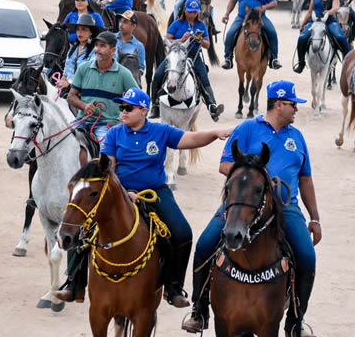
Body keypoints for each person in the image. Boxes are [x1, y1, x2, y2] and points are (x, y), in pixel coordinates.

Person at [54, 87, 231, 307]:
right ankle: (74, 284)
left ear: (144, 111)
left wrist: (215, 134)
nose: (123, 111)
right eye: (122, 107)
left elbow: (190, 138)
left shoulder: (161, 131)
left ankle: (174, 287)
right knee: (81, 229)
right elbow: (108, 168)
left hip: (155, 192)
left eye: (129, 108)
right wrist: (124, 193)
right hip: (119, 192)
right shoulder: (114, 134)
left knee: (182, 233)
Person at [182, 80, 321, 337]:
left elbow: (306, 179)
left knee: (307, 257)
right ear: (279, 105)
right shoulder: (247, 129)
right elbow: (225, 165)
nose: (296, 110)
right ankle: (199, 310)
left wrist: (315, 218)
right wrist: (259, 176)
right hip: (241, 202)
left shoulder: (296, 137)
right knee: (204, 244)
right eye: (293, 105)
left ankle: (295, 320)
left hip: (285, 207)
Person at [150, 0, 224, 121]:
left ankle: (212, 106)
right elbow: (166, 41)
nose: (192, 14)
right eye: (190, 11)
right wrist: (181, 40)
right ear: (184, 11)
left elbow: (207, 44)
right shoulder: (176, 24)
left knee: (203, 77)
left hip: (193, 54)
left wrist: (201, 41)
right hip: (176, 54)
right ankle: (155, 104)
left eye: (195, 12)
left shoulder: (200, 25)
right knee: (158, 74)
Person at [67, 31, 140, 141]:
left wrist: (121, 122)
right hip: (81, 121)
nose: (97, 49)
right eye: (96, 45)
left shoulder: (124, 74)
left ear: (113, 50)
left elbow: (138, 101)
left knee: (105, 154)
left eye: (102, 46)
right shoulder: (83, 68)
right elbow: (71, 96)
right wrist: (84, 106)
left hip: (106, 125)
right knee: (59, 141)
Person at [222, 0, 281, 70]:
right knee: (230, 33)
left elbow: (274, 3)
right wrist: (227, 14)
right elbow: (232, 1)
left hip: (259, 19)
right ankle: (228, 58)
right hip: (241, 18)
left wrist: (264, 7)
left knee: (272, 32)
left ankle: (274, 58)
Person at [294, 0, 351, 73]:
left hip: (329, 21)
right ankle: (301, 62)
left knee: (340, 37)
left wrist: (328, 12)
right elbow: (309, 11)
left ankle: (348, 61)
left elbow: (335, 8)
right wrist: (303, 24)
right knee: (302, 38)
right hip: (315, 21)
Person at [58, 13, 103, 89]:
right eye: (78, 29)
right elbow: (66, 72)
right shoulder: (73, 49)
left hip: (87, 89)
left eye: (84, 29)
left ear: (91, 32)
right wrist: (62, 81)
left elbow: (88, 72)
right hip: (69, 87)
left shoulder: (95, 50)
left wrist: (69, 82)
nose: (80, 32)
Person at [115, 10, 145, 75]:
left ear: (133, 26)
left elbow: (141, 69)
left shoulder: (139, 46)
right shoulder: (110, 38)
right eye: (120, 21)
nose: (121, 25)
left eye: (125, 22)